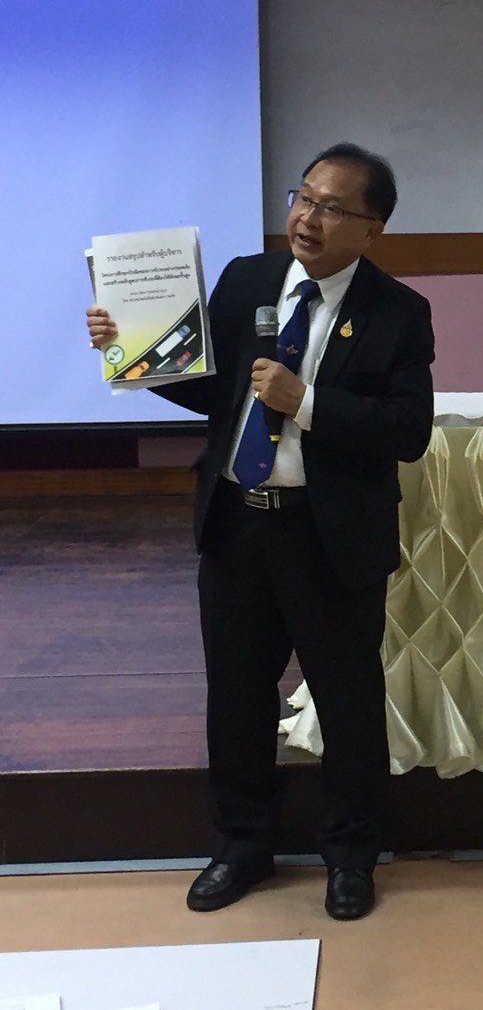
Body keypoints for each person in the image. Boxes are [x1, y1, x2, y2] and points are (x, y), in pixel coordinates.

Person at [86, 143, 434, 920]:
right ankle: (241, 847)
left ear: (372, 227)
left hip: (329, 538)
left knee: (347, 704)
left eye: (332, 208)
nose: (307, 217)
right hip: (238, 527)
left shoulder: (398, 312)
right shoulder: (247, 279)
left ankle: (351, 857)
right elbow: (208, 390)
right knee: (237, 699)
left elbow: (407, 431)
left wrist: (302, 400)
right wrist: (126, 348)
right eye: (303, 197)